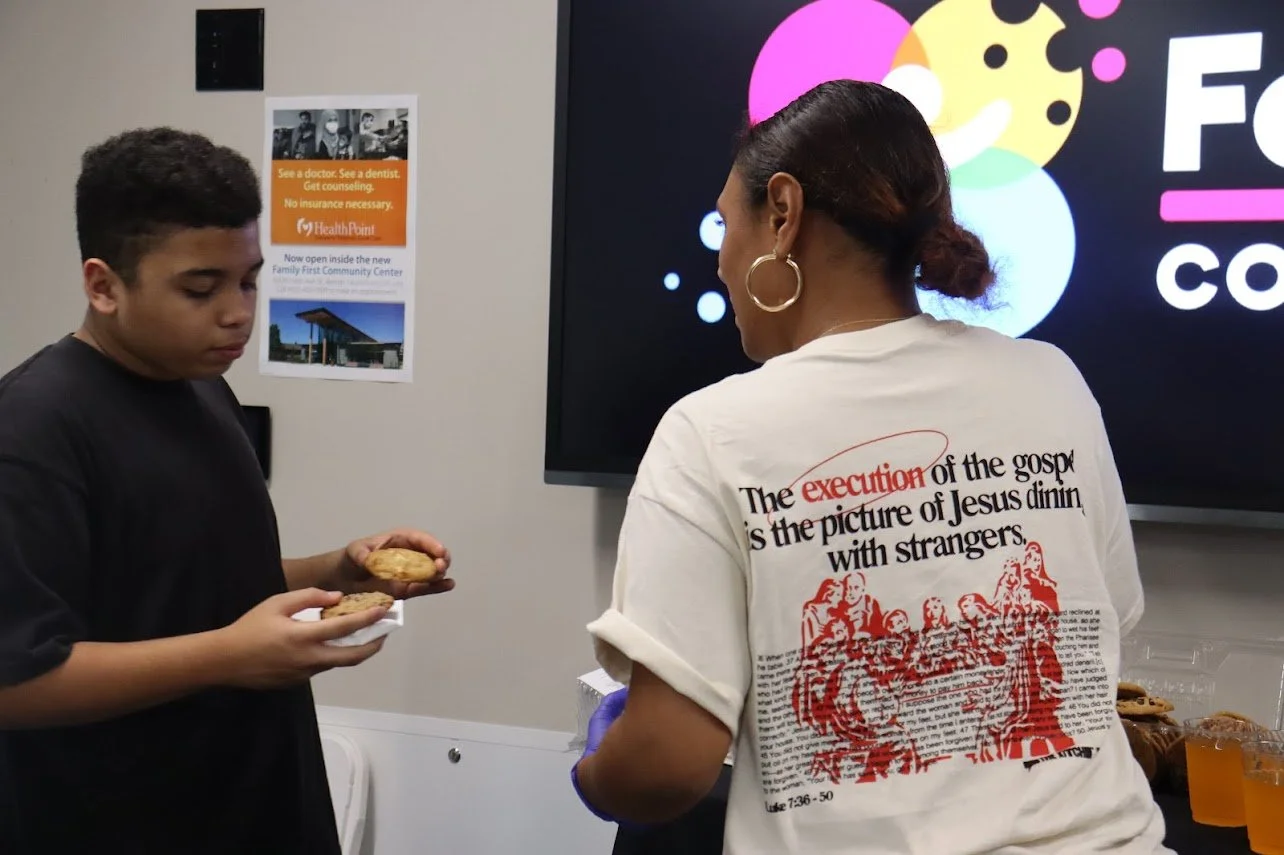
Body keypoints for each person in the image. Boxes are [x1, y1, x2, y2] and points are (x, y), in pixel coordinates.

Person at [571, 80, 1169, 853]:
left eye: (727, 223)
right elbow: (1099, 630)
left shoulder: (713, 431)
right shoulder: (1051, 379)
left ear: (782, 214)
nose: (720, 259)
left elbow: (666, 765)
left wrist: (597, 766)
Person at [0, 128, 455, 854]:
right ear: (102, 284)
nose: (239, 312)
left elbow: (189, 588)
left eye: (249, 279)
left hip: (261, 806)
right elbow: (18, 679)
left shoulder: (204, 388)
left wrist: (337, 570)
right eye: (201, 288)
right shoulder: (32, 430)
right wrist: (229, 656)